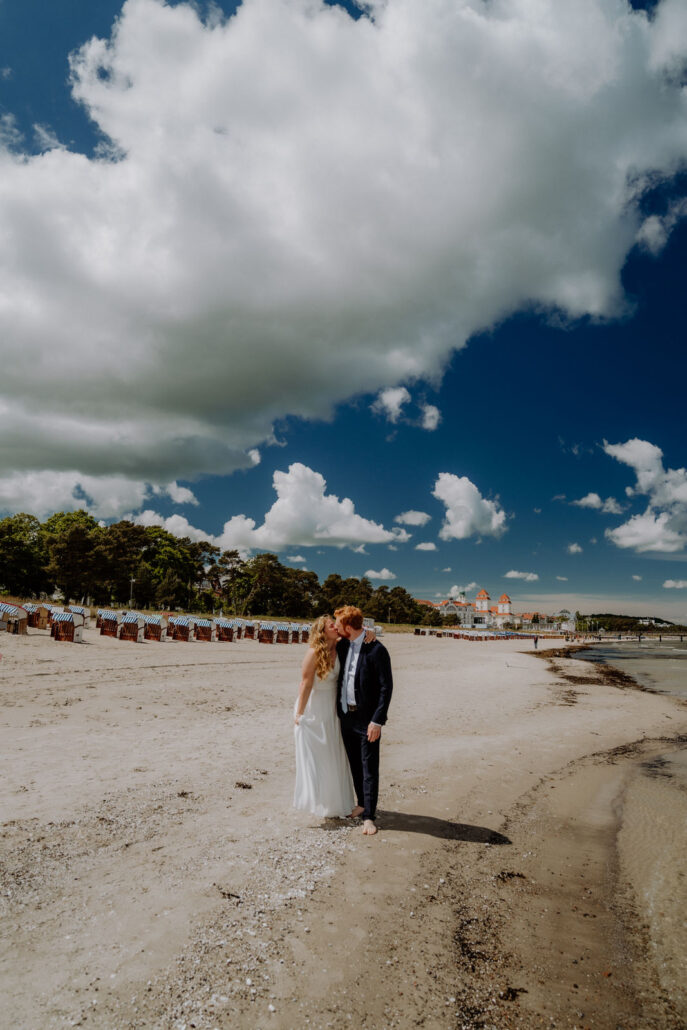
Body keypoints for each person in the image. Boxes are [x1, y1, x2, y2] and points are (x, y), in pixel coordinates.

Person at [334, 605, 393, 836]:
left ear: (348, 627)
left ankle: (369, 817)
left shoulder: (376, 650)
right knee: (355, 764)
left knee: (369, 768)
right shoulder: (342, 644)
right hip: (346, 716)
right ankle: (361, 804)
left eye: (338, 624)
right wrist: (368, 629)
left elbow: (386, 688)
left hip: (368, 720)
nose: (336, 627)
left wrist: (377, 721)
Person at [293, 615, 356, 819]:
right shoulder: (313, 652)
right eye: (331, 625)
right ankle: (318, 800)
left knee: (334, 754)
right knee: (318, 756)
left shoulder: (341, 646)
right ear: (323, 631)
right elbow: (305, 684)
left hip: (333, 709)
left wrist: (370, 632)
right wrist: (299, 714)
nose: (336, 627)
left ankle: (335, 804)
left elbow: (357, 633)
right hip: (314, 708)